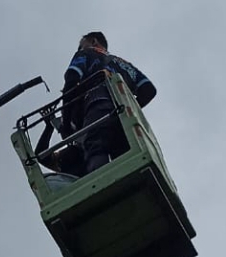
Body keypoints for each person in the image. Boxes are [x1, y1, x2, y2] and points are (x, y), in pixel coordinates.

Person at [61, 32, 157, 174]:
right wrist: (127, 107)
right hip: (125, 118)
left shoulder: (86, 54)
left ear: (93, 42)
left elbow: (71, 80)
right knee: (125, 156)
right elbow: (149, 90)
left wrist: (67, 122)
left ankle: (101, 186)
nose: (79, 50)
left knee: (96, 147)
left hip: (97, 105)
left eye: (81, 46)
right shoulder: (124, 63)